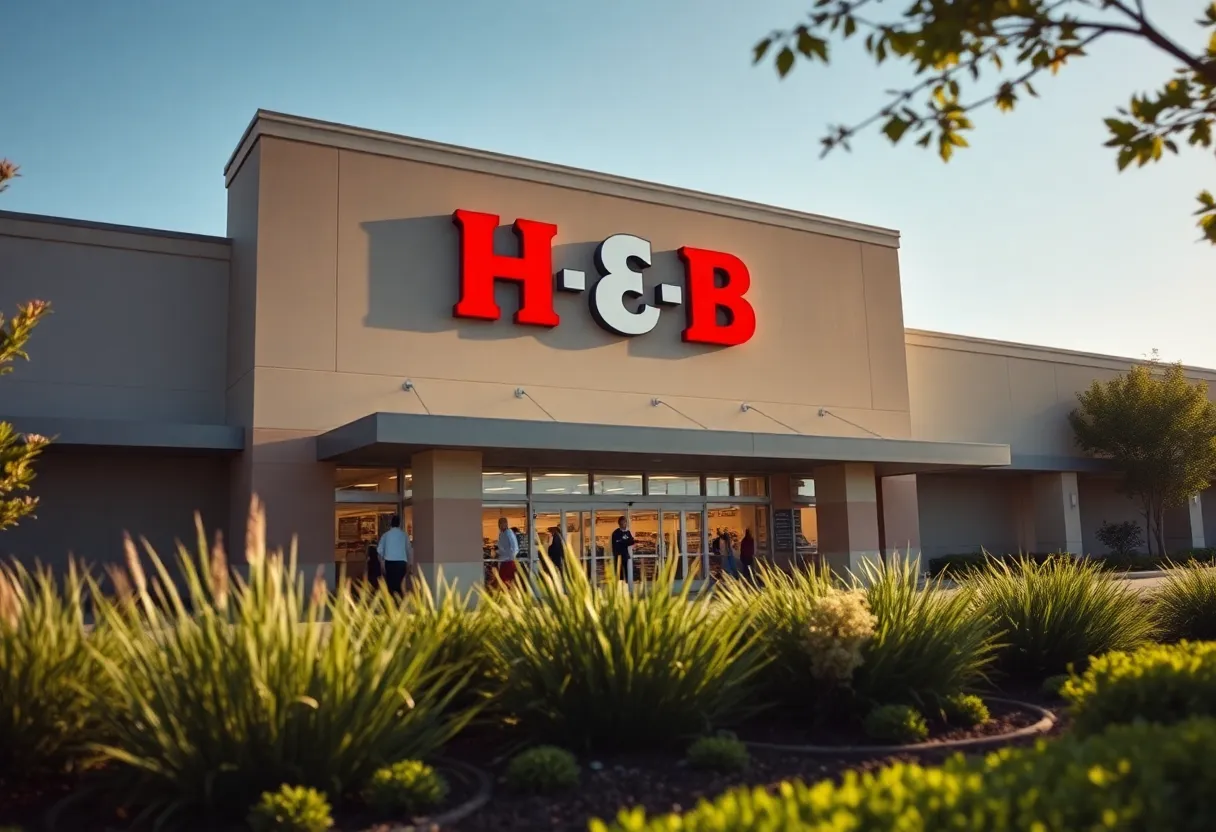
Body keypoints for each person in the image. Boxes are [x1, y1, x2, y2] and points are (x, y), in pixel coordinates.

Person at [377, 515, 411, 596]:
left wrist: (381, 563)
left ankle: (391, 604)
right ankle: (399, 603)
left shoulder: (386, 535)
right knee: (400, 585)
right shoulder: (404, 535)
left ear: (391, 523)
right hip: (401, 562)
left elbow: (379, 550)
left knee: (390, 585)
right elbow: (408, 549)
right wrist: (409, 563)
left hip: (389, 562)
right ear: (399, 524)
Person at [496, 516, 520, 586]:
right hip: (503, 561)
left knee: (507, 583)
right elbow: (502, 548)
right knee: (502, 582)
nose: (500, 525)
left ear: (506, 524)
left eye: (502, 523)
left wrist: (511, 557)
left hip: (509, 562)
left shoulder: (509, 532)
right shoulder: (501, 534)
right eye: (499, 524)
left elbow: (515, 547)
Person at [611, 515, 636, 582]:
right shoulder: (616, 533)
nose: (623, 525)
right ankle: (620, 587)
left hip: (625, 556)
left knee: (626, 572)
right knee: (619, 573)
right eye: (622, 523)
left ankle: (627, 586)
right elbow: (617, 544)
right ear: (619, 524)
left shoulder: (627, 532)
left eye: (624, 523)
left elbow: (631, 541)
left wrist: (624, 541)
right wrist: (625, 541)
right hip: (618, 556)